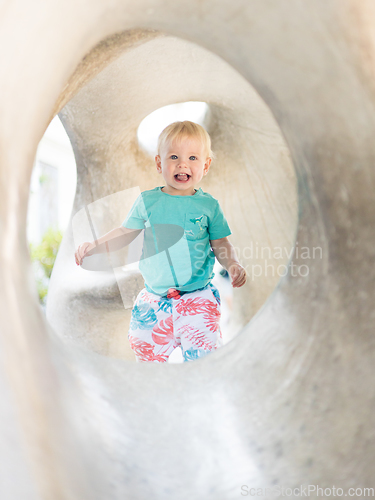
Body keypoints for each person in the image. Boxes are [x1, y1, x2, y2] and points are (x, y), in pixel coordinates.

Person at [75, 121, 246, 363]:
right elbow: (125, 231)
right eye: (174, 156)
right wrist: (95, 245)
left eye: (193, 158)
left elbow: (221, 243)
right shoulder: (148, 201)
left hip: (197, 298)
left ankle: (199, 393)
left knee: (204, 360)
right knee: (145, 354)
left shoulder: (209, 206)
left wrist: (233, 264)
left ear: (206, 166)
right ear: (159, 163)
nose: (182, 164)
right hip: (155, 299)